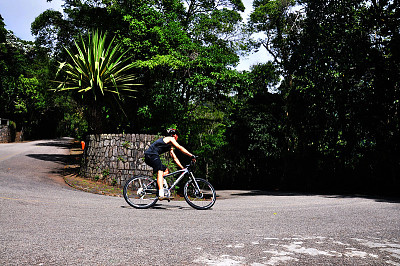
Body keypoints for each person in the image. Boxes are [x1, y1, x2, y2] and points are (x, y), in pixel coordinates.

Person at [144, 128, 195, 200]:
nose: (177, 137)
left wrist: (182, 168)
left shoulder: (169, 145)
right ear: (174, 135)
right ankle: (161, 194)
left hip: (150, 156)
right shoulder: (170, 138)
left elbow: (174, 158)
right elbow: (179, 147)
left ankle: (158, 183)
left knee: (166, 170)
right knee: (160, 170)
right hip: (151, 155)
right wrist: (191, 155)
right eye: (177, 136)